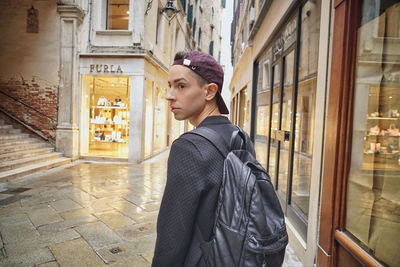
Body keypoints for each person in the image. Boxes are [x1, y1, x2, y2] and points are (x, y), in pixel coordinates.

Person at [152, 50, 238, 266]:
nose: (169, 95)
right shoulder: (238, 135)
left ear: (209, 92)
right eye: (170, 85)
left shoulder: (189, 147)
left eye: (181, 86)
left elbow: (172, 236)